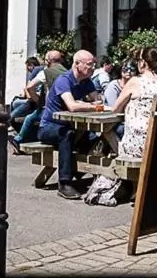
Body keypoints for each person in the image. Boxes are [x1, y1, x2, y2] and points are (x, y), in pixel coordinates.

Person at [83, 48, 157, 207]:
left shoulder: (135, 82)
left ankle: (132, 188)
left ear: (143, 63)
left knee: (112, 141)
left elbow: (116, 108)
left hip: (137, 143)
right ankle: (134, 188)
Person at [37, 50, 102, 200]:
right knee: (67, 134)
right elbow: (72, 106)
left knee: (96, 139)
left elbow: (98, 101)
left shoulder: (86, 81)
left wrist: (89, 104)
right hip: (48, 127)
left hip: (72, 126)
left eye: (94, 64)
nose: (93, 68)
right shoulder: (64, 80)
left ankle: (83, 173)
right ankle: (64, 183)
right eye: (90, 65)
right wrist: (91, 105)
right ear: (77, 64)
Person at [10, 50, 67, 152]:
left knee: (29, 118)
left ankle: (18, 140)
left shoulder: (46, 72)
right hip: (65, 108)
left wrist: (37, 100)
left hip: (50, 108)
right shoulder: (67, 72)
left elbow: (29, 87)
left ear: (48, 61)